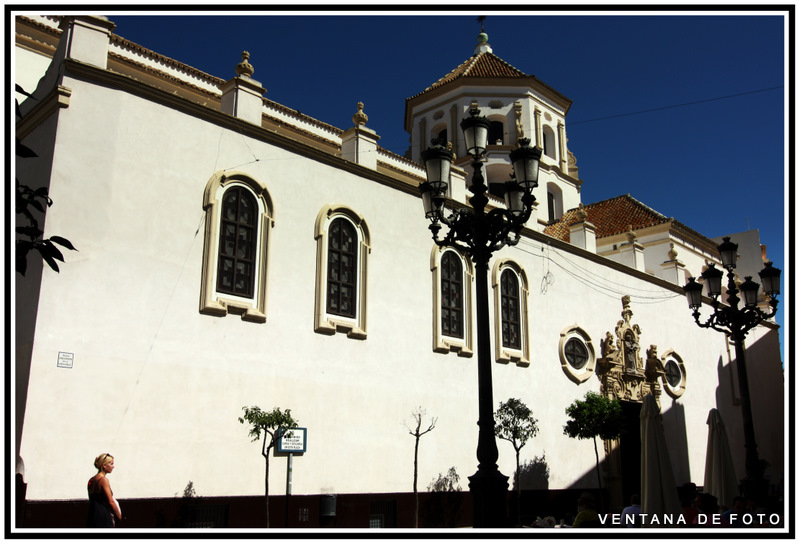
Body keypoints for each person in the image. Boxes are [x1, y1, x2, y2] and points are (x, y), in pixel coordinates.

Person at [87, 453, 122, 528]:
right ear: (104, 465)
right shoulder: (103, 480)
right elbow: (110, 501)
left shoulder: (92, 480)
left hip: (92, 515)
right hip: (102, 516)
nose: (113, 466)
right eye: (111, 464)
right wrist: (119, 516)